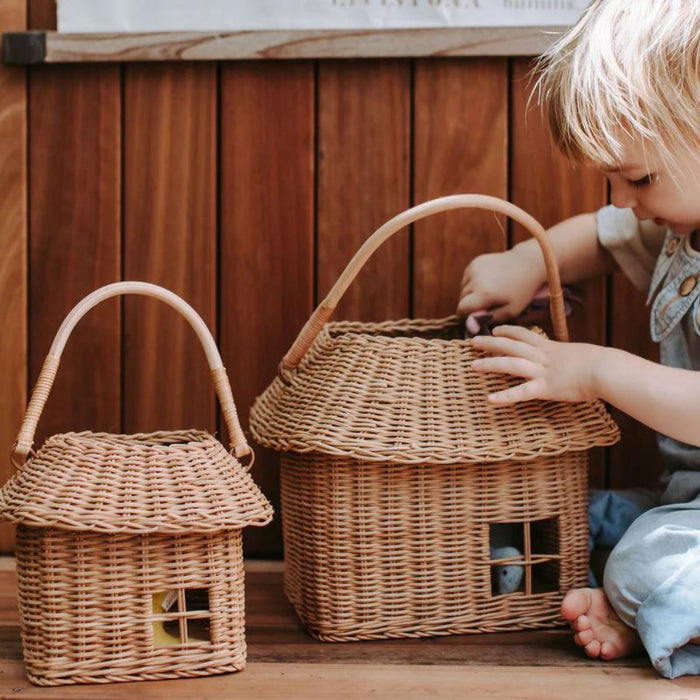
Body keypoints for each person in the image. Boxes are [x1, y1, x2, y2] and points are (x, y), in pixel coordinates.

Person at [457, 0, 700, 679]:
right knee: (573, 516)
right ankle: (641, 603)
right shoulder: (679, 230)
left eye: (639, 177)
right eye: (613, 179)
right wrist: (528, 263)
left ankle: (646, 606)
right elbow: (600, 235)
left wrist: (595, 371)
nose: (623, 198)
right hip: (685, 497)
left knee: (643, 562)